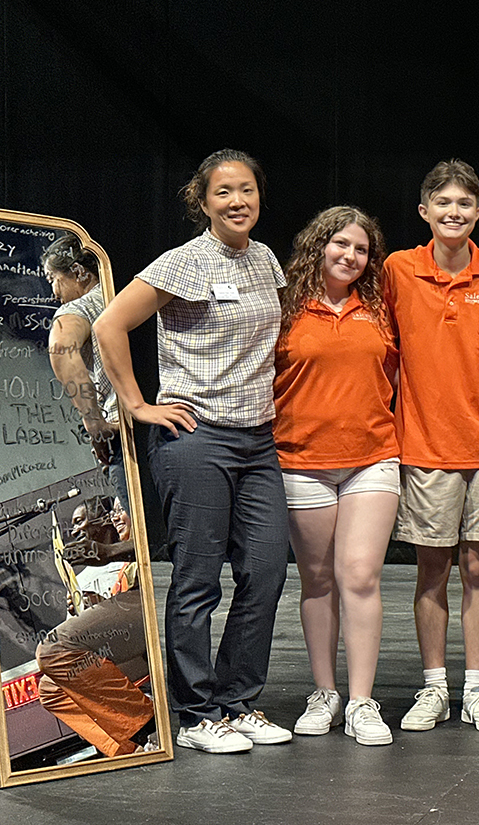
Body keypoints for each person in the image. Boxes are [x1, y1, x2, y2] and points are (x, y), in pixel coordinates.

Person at [96, 149, 291, 753]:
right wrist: (137, 404)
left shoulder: (265, 261)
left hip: (258, 442)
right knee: (198, 580)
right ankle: (196, 711)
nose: (238, 202)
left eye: (247, 191)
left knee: (264, 572)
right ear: (203, 201)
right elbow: (108, 326)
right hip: (197, 438)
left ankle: (237, 701)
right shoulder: (184, 262)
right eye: (225, 192)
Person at [384, 159, 479, 734]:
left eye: (464, 205)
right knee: (431, 573)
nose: (454, 213)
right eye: (443, 204)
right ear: (424, 212)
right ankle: (434, 686)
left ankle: (478, 689)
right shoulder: (397, 269)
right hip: (424, 447)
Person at [273, 206, 400, 746]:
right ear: (318, 245)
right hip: (301, 461)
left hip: (372, 456)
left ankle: (363, 701)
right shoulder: (284, 305)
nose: (350, 255)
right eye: (341, 244)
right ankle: (324, 693)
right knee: (319, 579)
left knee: (361, 575)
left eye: (362, 249)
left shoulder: (380, 307)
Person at [37, 496, 154, 757]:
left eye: (120, 510)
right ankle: (123, 749)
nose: (75, 531)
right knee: (48, 689)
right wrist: (85, 611)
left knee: (51, 650)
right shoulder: (83, 574)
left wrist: (105, 601)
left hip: (141, 638)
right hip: (108, 648)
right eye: (113, 511)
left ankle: (145, 723)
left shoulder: (134, 553)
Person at [43, 235, 126, 508]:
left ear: (78, 272)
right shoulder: (129, 295)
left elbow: (62, 349)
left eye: (52, 279)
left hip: (123, 432)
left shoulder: (81, 306)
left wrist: (95, 424)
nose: (54, 293)